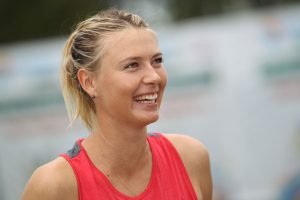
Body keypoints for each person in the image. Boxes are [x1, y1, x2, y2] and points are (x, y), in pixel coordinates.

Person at [22, 8, 212, 200]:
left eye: (157, 61)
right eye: (132, 65)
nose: (154, 76)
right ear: (89, 82)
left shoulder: (190, 158)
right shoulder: (54, 184)